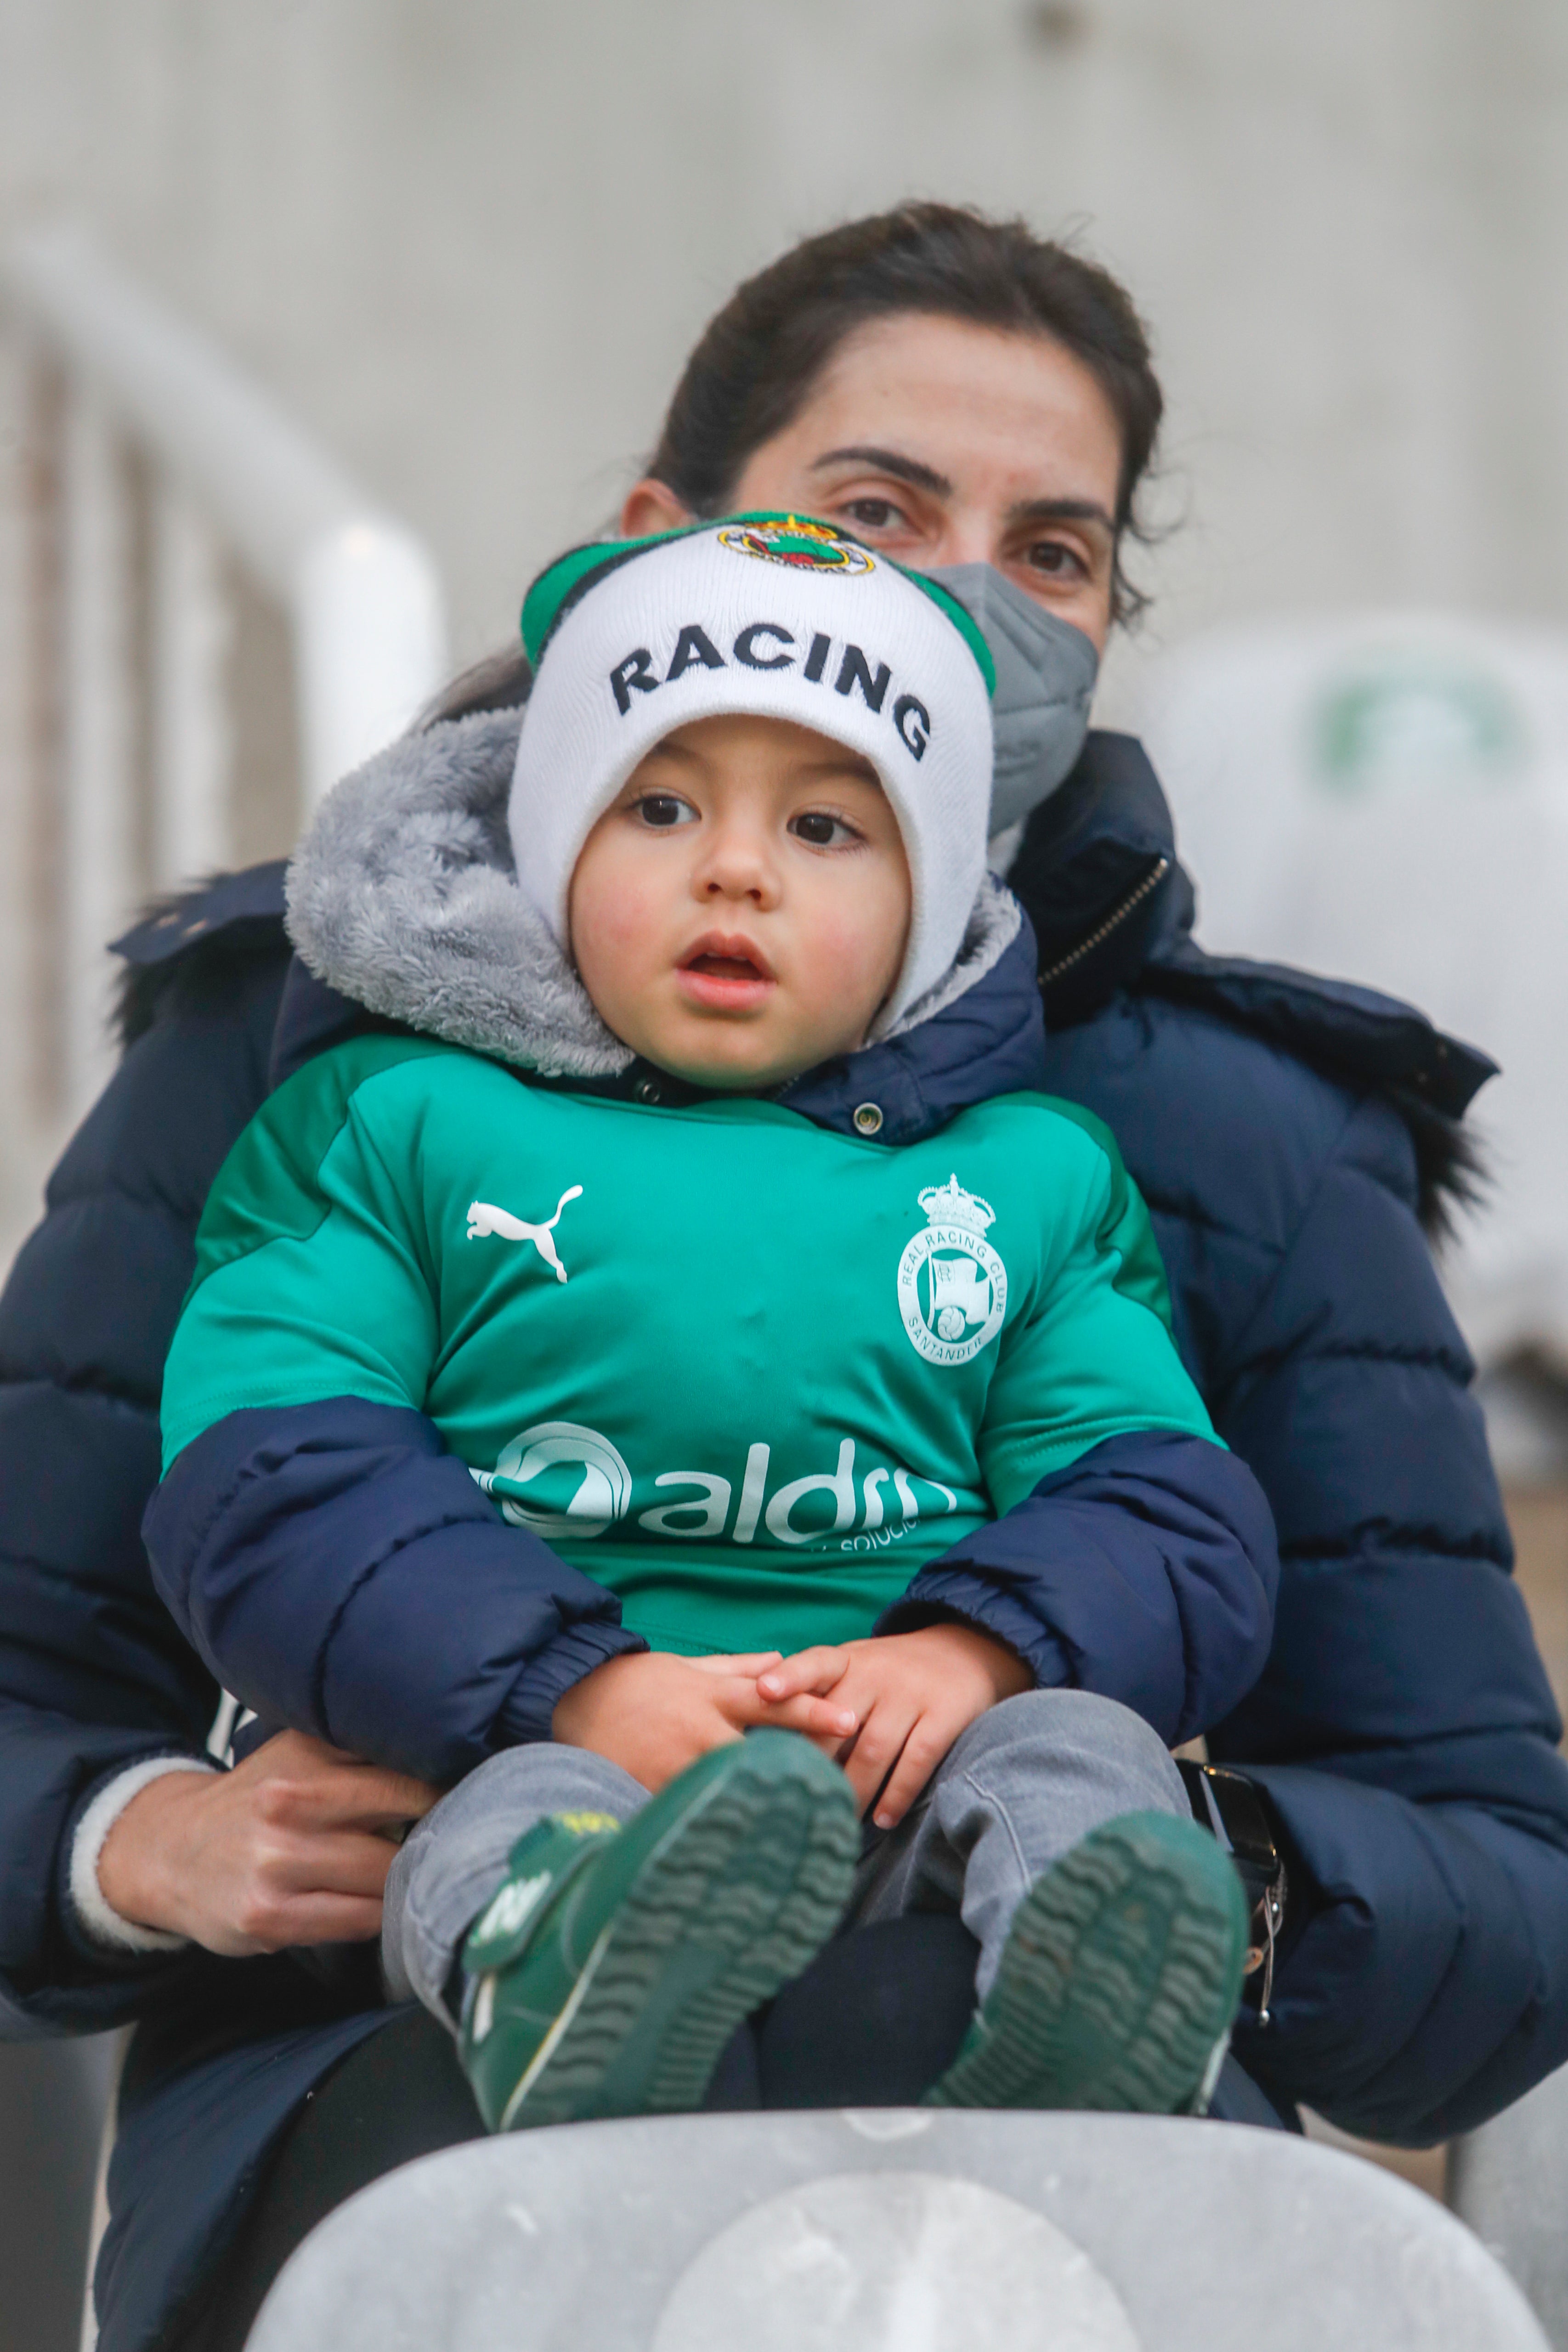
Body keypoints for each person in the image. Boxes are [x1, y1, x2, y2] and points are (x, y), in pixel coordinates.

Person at [2, 204, 1563, 2352]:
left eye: (1053, 549)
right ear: (660, 543)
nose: (957, 595)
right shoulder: (311, 1065)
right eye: (873, 506)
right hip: (414, 2076)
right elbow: (99, 1606)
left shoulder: (1236, 1142)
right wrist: (137, 1839)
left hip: (1064, 2165)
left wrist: (1133, 1824)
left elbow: (1493, 1886)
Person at [143, 516, 1274, 2135]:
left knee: (1084, 1759)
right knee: (501, 1823)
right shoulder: (392, 1123)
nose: (735, 866)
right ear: (554, 848)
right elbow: (277, 1479)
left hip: (908, 1763)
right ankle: (567, 1984)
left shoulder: (1028, 1180)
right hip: (536, 1746)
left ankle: (1090, 2016)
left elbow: (1161, 1502)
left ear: (930, 903)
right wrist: (575, 1686)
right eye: (661, 807)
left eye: (826, 826)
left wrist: (978, 1655)